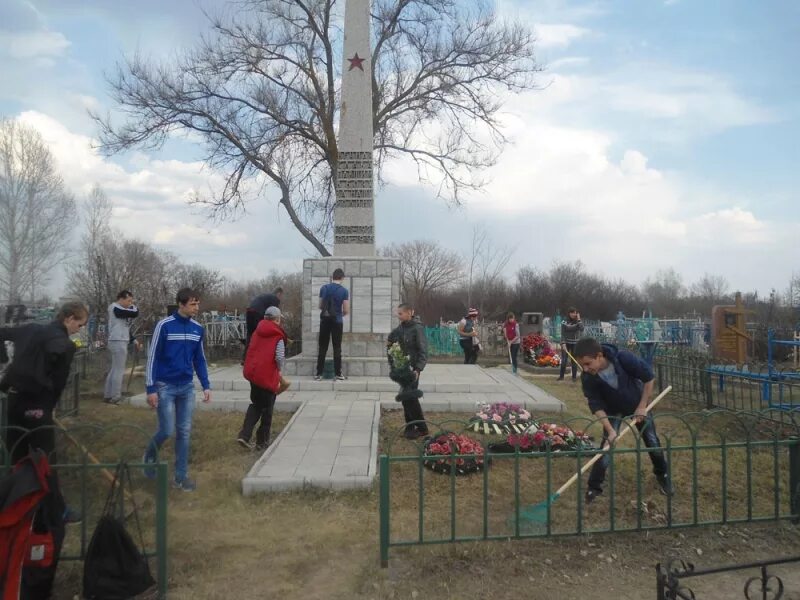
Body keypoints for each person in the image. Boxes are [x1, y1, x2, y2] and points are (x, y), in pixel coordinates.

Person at [0, 301, 88, 523]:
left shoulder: (30, 329)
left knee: (14, 457)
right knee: (46, 460)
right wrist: (48, 408)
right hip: (38, 406)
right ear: (68, 318)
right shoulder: (65, 346)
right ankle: (56, 511)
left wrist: (3, 369)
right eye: (80, 324)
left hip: (14, 400)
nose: (80, 329)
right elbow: (58, 384)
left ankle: (14, 508)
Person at [574, 337, 674, 504]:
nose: (585, 368)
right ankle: (594, 486)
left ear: (599, 356)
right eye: (582, 365)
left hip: (636, 404)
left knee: (652, 441)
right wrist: (610, 429)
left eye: (588, 363)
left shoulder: (623, 358)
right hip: (612, 410)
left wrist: (642, 406)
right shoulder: (588, 377)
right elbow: (595, 404)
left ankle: (663, 475)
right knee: (606, 446)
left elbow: (648, 378)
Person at [142, 288, 211, 492]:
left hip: (186, 387)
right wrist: (150, 388)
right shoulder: (164, 326)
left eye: (198, 304)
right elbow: (152, 357)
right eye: (192, 304)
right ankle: (149, 457)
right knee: (167, 430)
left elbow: (199, 359)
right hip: (165, 386)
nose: (196, 308)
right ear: (181, 304)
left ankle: (181, 477)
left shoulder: (197, 329)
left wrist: (206, 385)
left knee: (185, 431)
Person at [238, 306, 287, 451]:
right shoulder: (278, 336)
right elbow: (279, 357)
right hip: (267, 378)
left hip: (254, 376)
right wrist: (279, 371)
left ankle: (244, 435)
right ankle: (262, 442)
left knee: (256, 404)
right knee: (267, 409)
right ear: (277, 319)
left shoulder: (256, 332)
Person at [387, 303, 429, 439]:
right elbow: (393, 346)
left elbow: (423, 350)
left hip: (412, 370)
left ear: (410, 312)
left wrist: (418, 369)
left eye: (400, 313)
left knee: (410, 398)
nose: (398, 316)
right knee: (406, 398)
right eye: (398, 313)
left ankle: (422, 428)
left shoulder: (417, 328)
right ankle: (410, 427)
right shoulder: (399, 329)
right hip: (402, 370)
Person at [103, 290, 140, 405]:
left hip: (120, 340)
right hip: (118, 341)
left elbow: (125, 327)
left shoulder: (123, 311)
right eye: (128, 300)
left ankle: (108, 395)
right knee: (119, 370)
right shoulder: (115, 307)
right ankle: (116, 397)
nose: (130, 303)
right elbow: (135, 313)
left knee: (114, 369)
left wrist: (133, 340)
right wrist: (134, 307)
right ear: (121, 299)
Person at [314, 268, 349, 380]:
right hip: (337, 321)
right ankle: (338, 373)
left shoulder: (324, 288)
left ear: (332, 277)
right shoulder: (344, 291)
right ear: (342, 278)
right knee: (337, 347)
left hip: (325, 320)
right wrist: (340, 314)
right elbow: (346, 309)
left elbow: (320, 306)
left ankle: (319, 374)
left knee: (322, 346)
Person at [243, 287, 283, 354]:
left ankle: (245, 358)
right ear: (279, 294)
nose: (281, 298)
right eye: (281, 296)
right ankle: (261, 354)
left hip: (249, 312)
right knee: (261, 333)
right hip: (257, 313)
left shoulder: (266, 296)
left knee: (250, 335)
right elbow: (274, 314)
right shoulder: (275, 298)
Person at [558, 307, 584, 381]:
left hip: (575, 344)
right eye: (572, 313)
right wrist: (563, 343)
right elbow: (562, 333)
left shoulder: (578, 322)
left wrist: (579, 319)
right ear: (569, 313)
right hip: (566, 343)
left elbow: (582, 329)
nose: (574, 314)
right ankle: (561, 377)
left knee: (574, 361)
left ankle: (574, 378)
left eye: (575, 313)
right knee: (564, 360)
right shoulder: (564, 322)